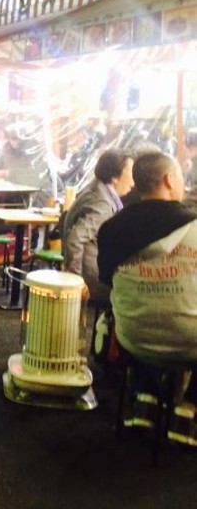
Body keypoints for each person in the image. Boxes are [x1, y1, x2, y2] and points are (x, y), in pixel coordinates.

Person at [97, 152, 197, 362]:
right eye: (180, 178)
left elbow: (107, 281)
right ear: (169, 180)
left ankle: (146, 390)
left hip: (133, 337)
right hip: (190, 340)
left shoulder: (110, 229)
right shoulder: (193, 226)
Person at [63, 149, 134, 305]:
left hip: (91, 270)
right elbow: (75, 239)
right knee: (137, 293)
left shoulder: (95, 188)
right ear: (115, 177)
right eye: (130, 171)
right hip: (92, 278)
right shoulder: (102, 203)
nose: (133, 181)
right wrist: (76, 281)